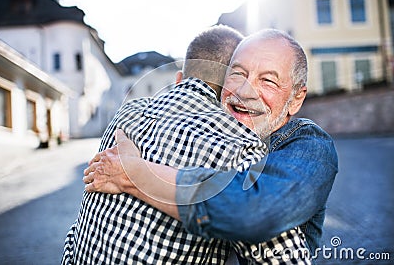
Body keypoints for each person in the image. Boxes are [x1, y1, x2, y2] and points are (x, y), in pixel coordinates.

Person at [84, 29, 338, 263]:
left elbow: (253, 210)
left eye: (268, 81)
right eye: (237, 73)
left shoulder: (310, 145)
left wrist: (133, 173)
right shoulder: (218, 138)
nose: (245, 91)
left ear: (296, 99)